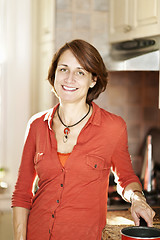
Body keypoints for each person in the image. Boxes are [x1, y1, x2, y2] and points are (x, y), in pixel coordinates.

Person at [12, 39, 155, 240]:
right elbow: (22, 193)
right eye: (63, 69)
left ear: (93, 80)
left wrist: (137, 199)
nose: (69, 78)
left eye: (80, 72)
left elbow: (126, 178)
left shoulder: (113, 126)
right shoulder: (36, 124)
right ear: (54, 75)